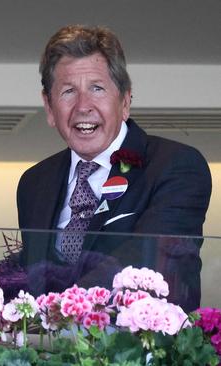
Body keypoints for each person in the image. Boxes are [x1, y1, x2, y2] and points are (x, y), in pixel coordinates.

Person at [16, 25, 211, 311]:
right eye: (68, 91)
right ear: (48, 107)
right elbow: (31, 279)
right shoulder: (34, 183)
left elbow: (150, 273)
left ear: (125, 101)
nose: (84, 106)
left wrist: (62, 310)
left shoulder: (176, 166)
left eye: (97, 88)